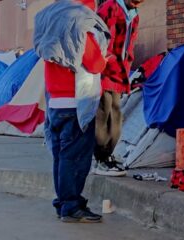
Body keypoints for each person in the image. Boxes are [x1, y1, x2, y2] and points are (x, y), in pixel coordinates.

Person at [34, 0, 110, 223]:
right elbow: (95, 64)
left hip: (56, 105)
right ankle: (71, 205)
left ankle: (63, 202)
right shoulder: (79, 32)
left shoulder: (50, 34)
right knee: (75, 158)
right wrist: (105, 59)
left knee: (61, 157)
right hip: (76, 104)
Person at [93, 0, 145, 177]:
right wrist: (102, 65)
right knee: (103, 115)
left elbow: (129, 45)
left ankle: (106, 156)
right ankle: (101, 159)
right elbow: (100, 40)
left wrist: (126, 68)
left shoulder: (134, 14)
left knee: (116, 116)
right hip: (105, 71)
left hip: (119, 73)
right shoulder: (110, 7)